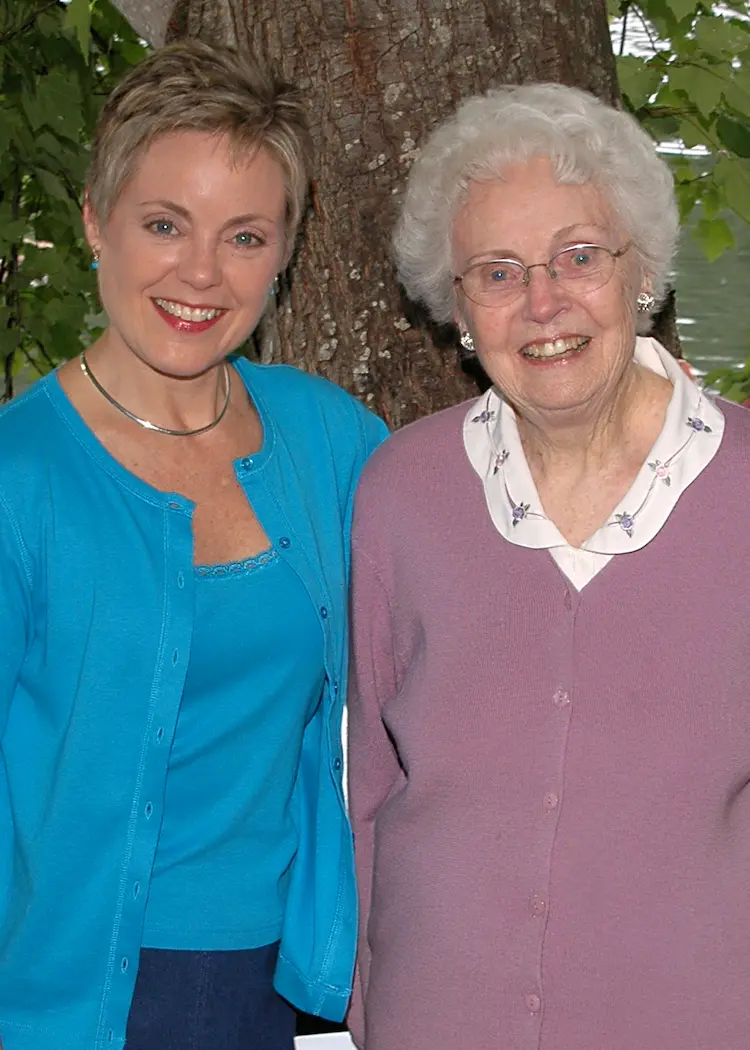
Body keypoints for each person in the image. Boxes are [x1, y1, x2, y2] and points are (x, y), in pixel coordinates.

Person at [0, 40, 386, 1050]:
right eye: (164, 224)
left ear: (285, 252)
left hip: (287, 985)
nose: (202, 274)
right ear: (95, 222)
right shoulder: (19, 478)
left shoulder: (331, 441)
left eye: (246, 236)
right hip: (67, 998)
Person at [347, 83, 750, 1050]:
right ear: (455, 307)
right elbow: (370, 790)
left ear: (640, 271)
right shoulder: (401, 492)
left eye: (580, 256)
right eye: (496, 271)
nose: (543, 302)